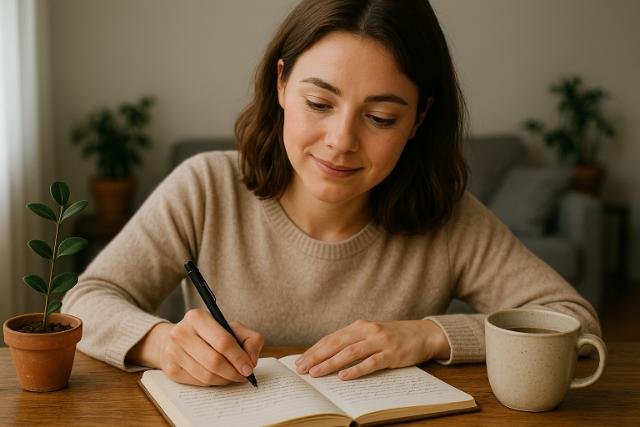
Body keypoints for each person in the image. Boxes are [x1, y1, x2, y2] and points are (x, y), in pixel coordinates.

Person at [63, 0, 601, 387]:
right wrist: (161, 343)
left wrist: (430, 336)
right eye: (320, 104)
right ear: (280, 86)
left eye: (381, 117)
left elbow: (573, 321)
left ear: (420, 118)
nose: (342, 142)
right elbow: (86, 301)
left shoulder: (450, 218)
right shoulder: (205, 186)